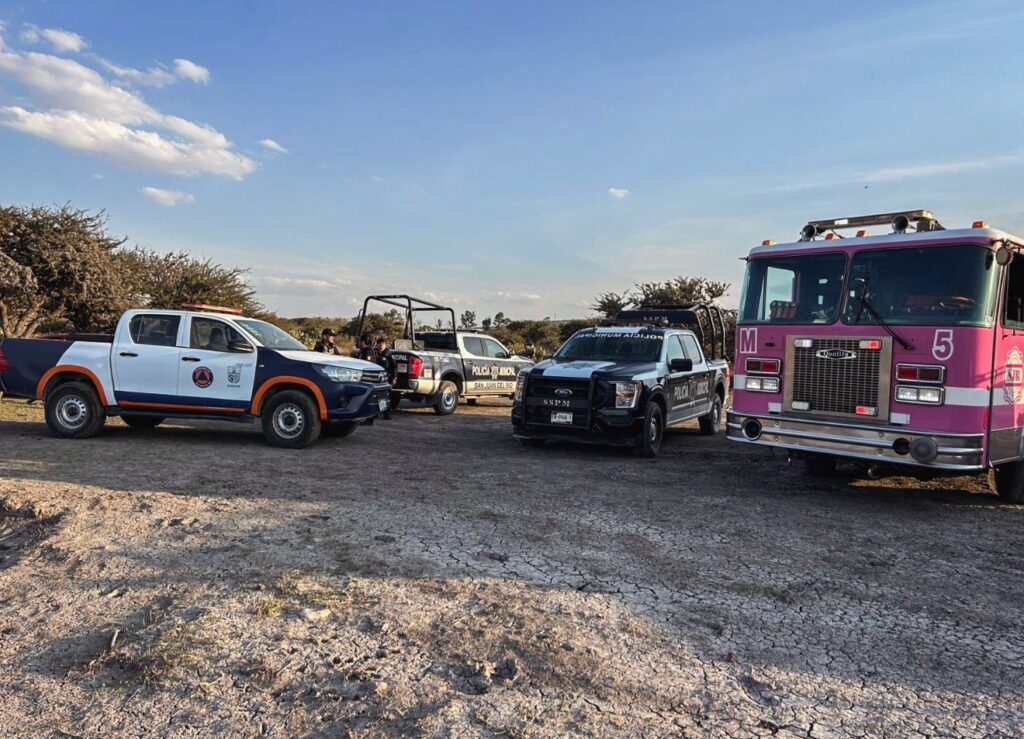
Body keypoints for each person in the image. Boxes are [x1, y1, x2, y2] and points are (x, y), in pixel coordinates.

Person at [373, 337, 393, 420]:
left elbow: (393, 366)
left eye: (383, 344)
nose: (381, 345)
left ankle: (386, 413)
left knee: (384, 396)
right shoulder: (375, 353)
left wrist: (394, 377)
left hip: (385, 378)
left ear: (385, 345)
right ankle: (376, 413)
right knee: (376, 396)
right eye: (380, 344)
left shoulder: (388, 354)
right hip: (377, 378)